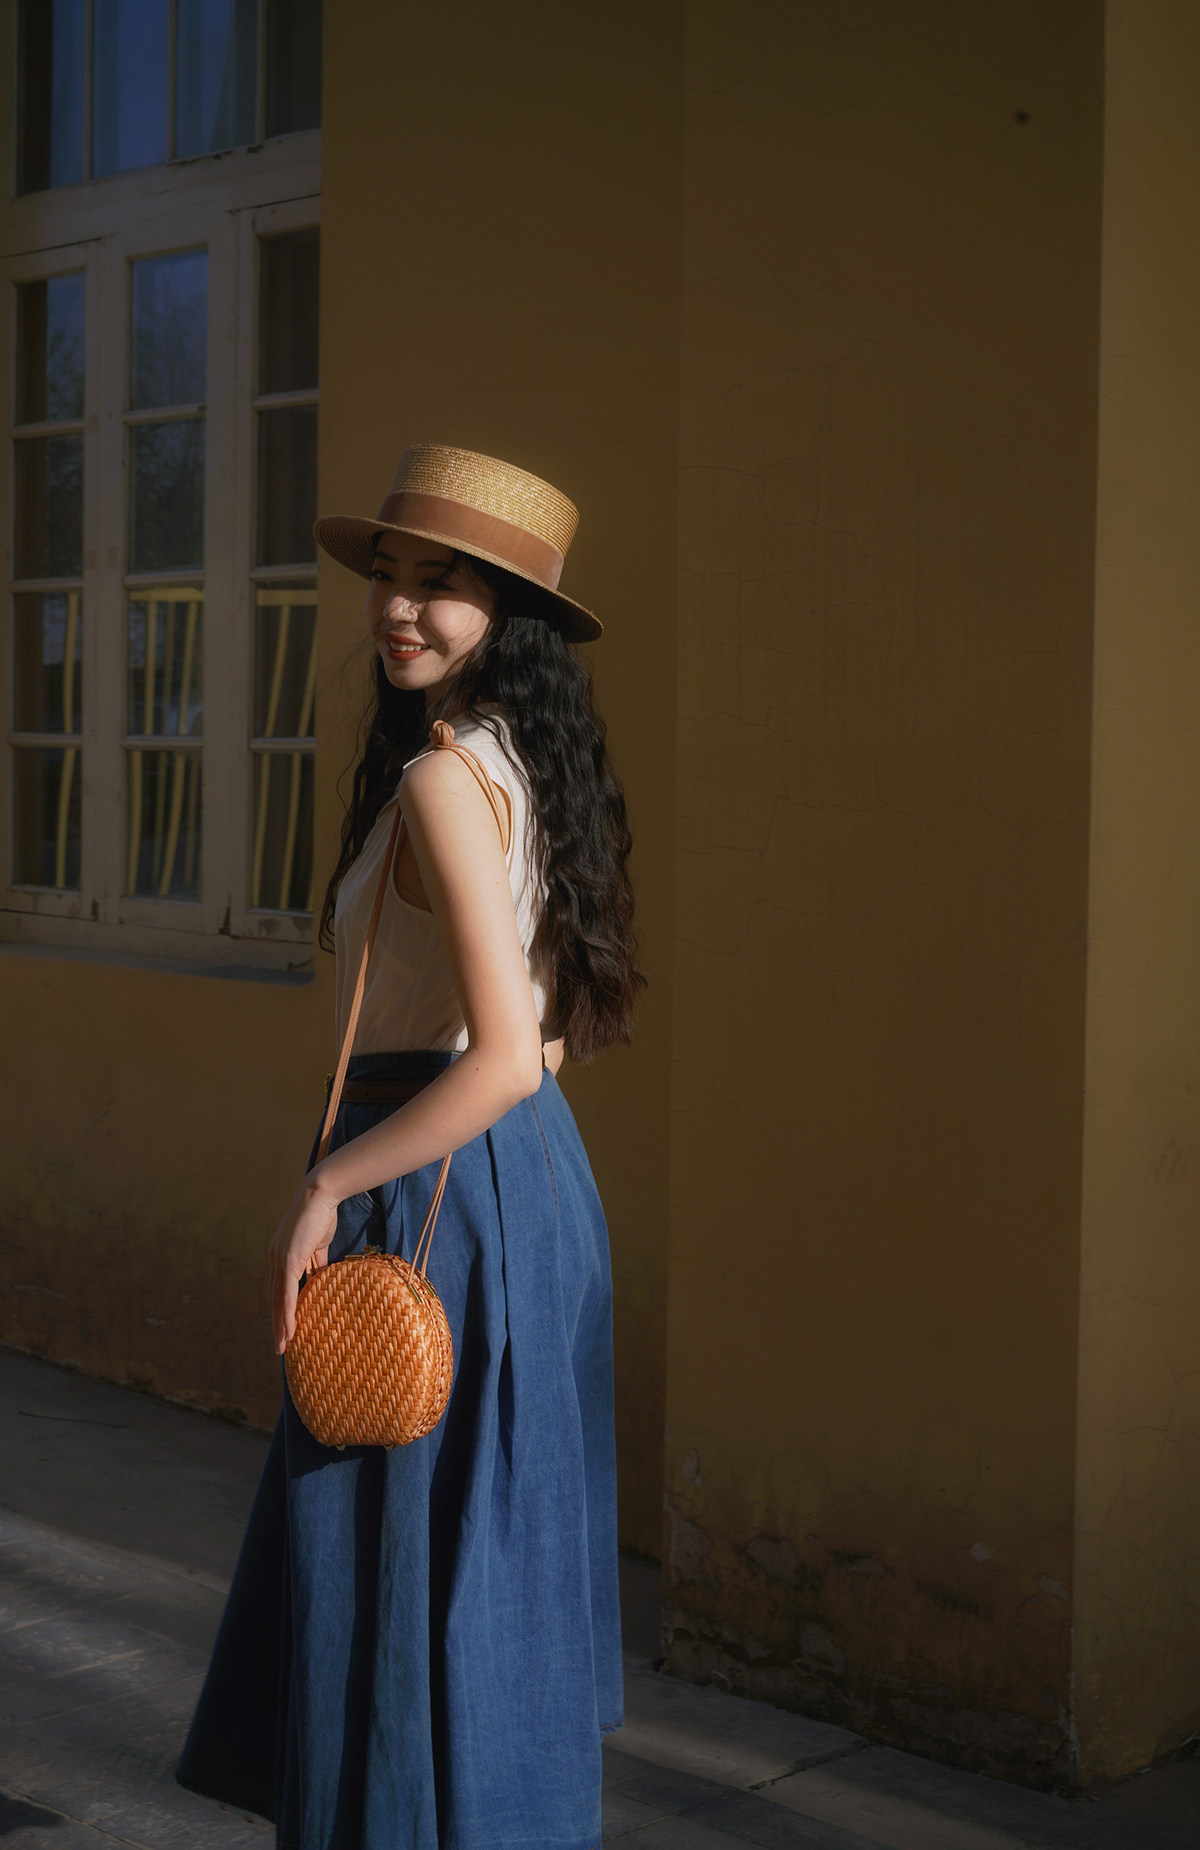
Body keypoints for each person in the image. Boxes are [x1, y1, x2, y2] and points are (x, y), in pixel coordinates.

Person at [176, 445, 642, 1850]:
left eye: (439, 582)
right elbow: (547, 1048)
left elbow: (497, 1050)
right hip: (533, 1185)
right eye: (388, 573)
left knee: (391, 1553)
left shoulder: (445, 781)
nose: (397, 606)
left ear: (511, 612)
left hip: (430, 1183)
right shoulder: (536, 772)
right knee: (487, 1559)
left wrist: (329, 1179)